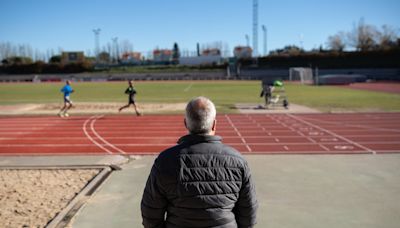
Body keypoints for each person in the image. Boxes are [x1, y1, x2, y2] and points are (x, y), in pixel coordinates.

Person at [141, 96, 258, 228]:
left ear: (186, 123)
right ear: (214, 124)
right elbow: (248, 213)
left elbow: (150, 213)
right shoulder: (237, 161)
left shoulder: (165, 161)